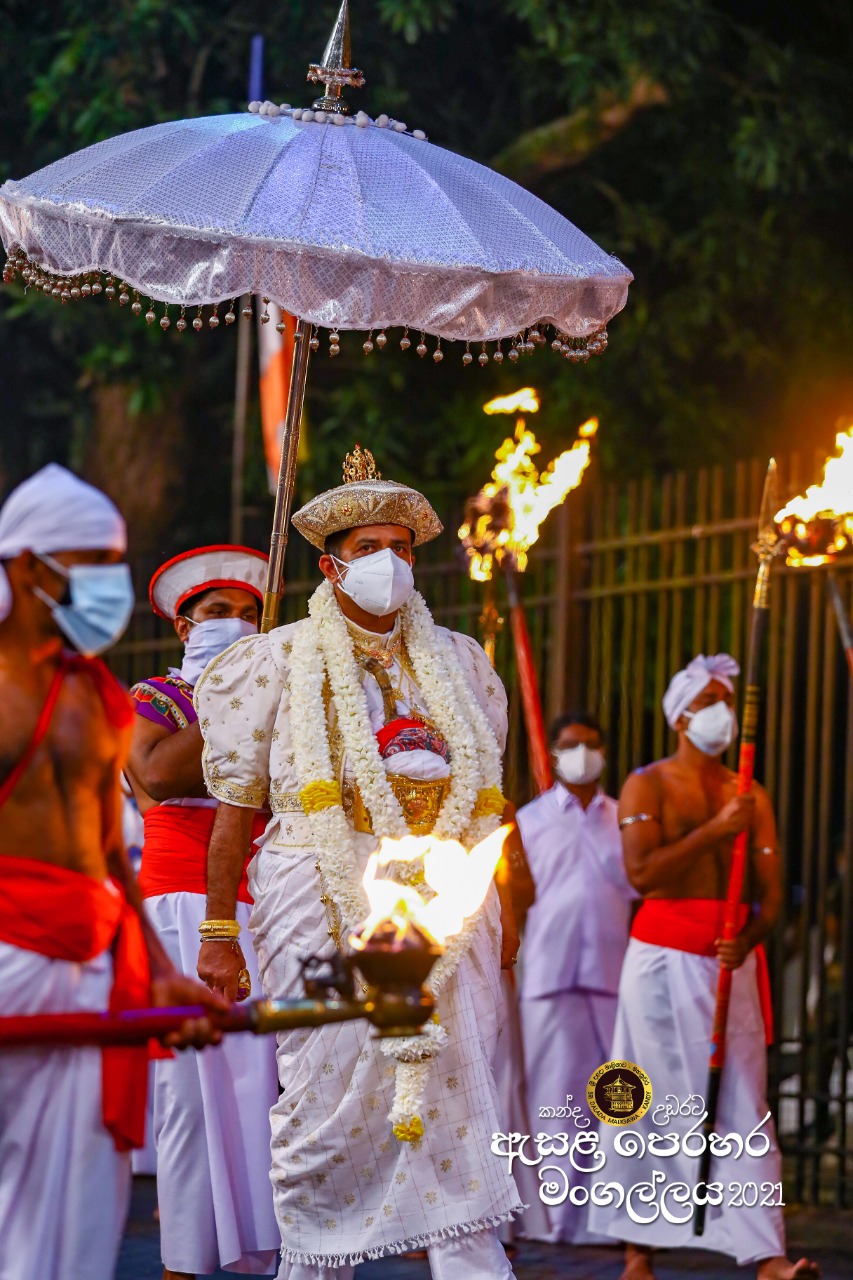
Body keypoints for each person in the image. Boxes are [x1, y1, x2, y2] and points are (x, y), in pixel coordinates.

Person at [195, 446, 523, 1280]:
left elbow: (490, 810)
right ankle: (312, 1268)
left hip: (444, 892)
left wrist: (504, 921)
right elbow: (234, 812)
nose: (387, 562)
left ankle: (471, 1264)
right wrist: (220, 929)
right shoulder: (274, 660)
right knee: (323, 1089)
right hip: (318, 883)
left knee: (458, 1082)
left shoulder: (459, 661)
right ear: (328, 565)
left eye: (401, 548)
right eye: (367, 548)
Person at [0, 464, 225, 1280]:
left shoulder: (95, 693)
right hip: (5, 955)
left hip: (89, 964)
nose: (111, 584)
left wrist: (161, 974)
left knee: (75, 1217)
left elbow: (109, 857)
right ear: (29, 567)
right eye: (92, 562)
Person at [589, 654, 818, 1280]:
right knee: (646, 1097)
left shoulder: (751, 793)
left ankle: (767, 1254)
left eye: (729, 698)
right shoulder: (648, 784)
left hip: (729, 963)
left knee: (744, 1102)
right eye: (712, 699)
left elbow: (771, 895)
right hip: (660, 961)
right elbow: (641, 874)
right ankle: (638, 1251)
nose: (725, 712)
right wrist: (718, 831)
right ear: (682, 714)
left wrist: (748, 938)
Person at [125, 546, 281, 1279]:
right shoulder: (156, 697)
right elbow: (156, 772)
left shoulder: (278, 698)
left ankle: (264, 1249)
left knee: (261, 1089)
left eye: (250, 614)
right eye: (220, 613)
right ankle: (182, 1264)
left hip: (268, 897)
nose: (238, 624)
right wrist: (229, 698)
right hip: (181, 904)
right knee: (188, 1094)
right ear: (186, 623)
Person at [516, 710, 636, 1243]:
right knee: (551, 1098)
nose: (581, 754)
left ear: (605, 753)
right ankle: (552, 1217)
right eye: (571, 745)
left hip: (613, 974)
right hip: (547, 973)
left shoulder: (626, 819)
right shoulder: (528, 820)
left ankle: (605, 1221)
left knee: (615, 1098)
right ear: (554, 754)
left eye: (590, 744)